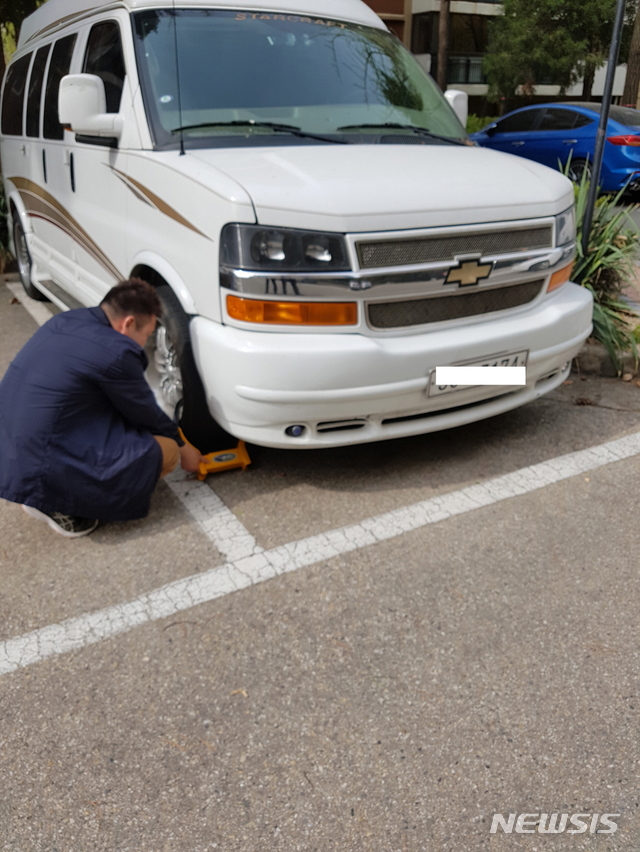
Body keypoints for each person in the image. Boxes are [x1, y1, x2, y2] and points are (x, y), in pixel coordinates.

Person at [0, 278, 206, 537]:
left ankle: (38, 493)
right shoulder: (114, 351)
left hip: (9, 449)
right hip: (39, 459)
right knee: (166, 451)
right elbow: (146, 413)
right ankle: (63, 507)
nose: (144, 342)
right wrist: (185, 448)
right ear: (128, 323)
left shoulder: (67, 320)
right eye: (146, 334)